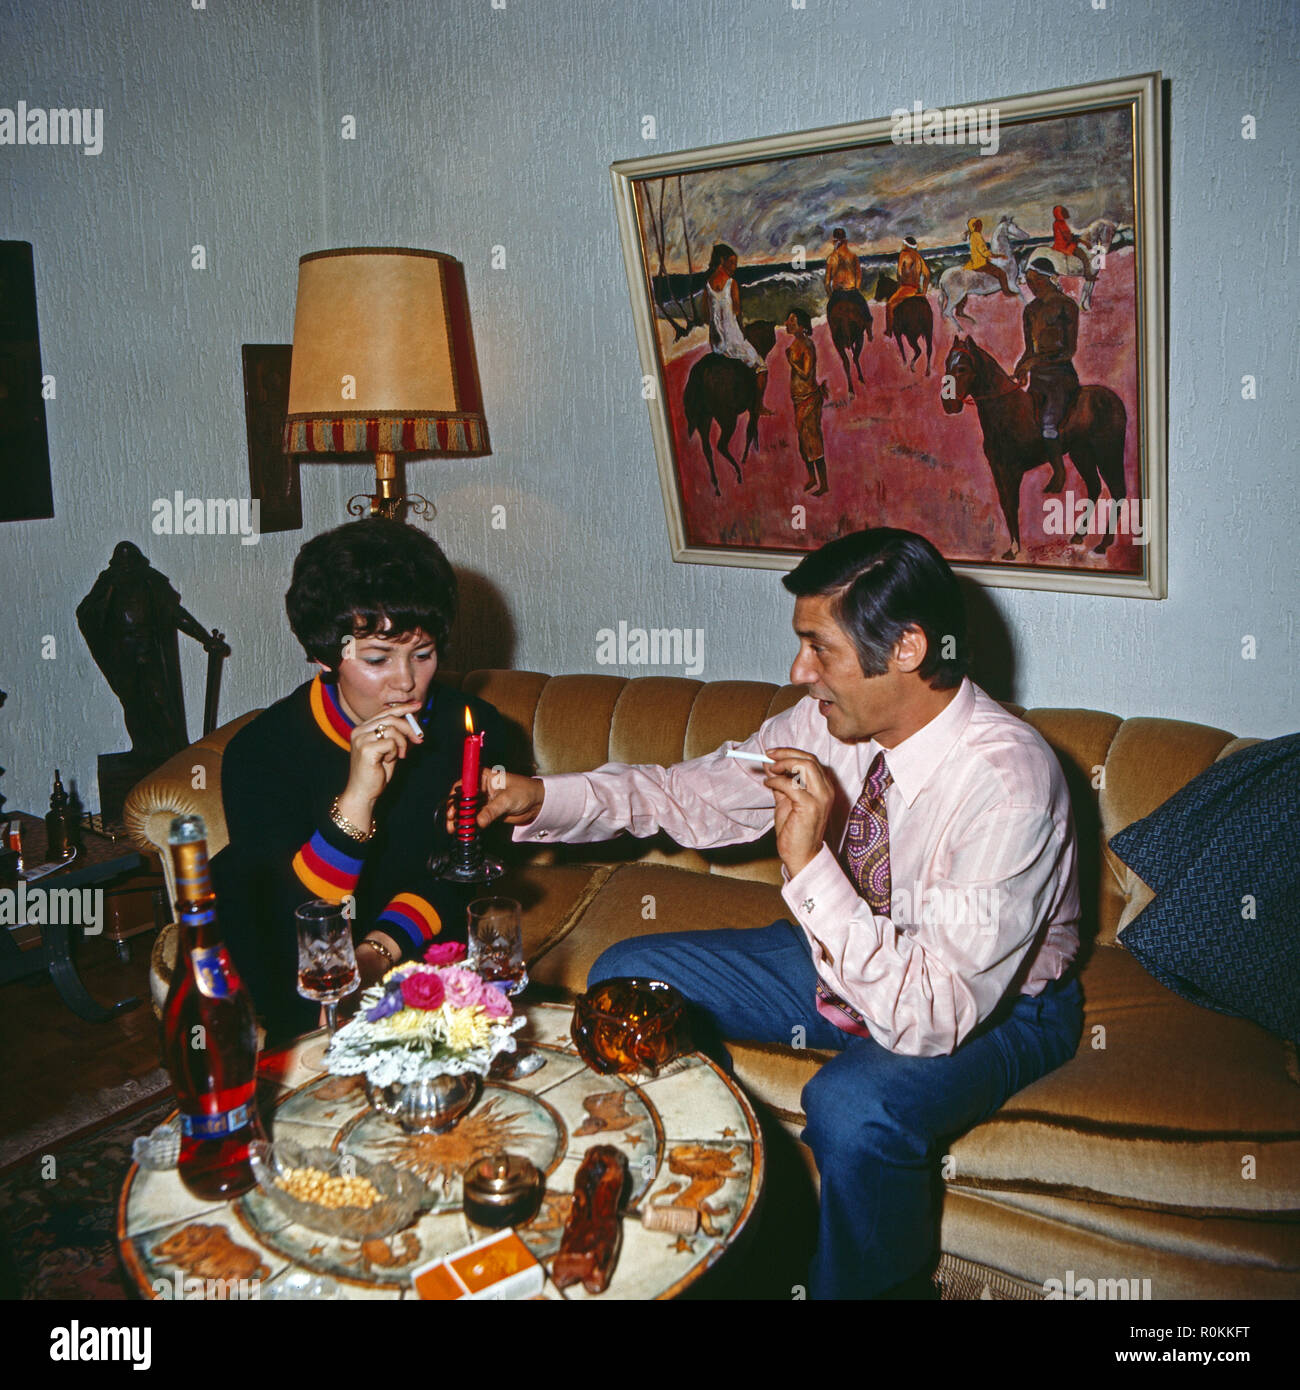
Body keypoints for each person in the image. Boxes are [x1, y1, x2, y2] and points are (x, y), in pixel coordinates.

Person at [472, 529, 1082, 1300]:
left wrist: (808, 865)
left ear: (906, 647)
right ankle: (721, 1219)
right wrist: (545, 796)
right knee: (629, 980)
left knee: (854, 1105)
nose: (799, 672)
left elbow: (927, 1015)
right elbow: (685, 792)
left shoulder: (1007, 780)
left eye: (817, 647)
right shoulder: (825, 723)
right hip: (844, 960)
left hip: (991, 1008)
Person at [211, 518, 505, 1041]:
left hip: (418, 939)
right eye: (377, 658)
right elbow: (287, 912)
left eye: (424, 653)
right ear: (325, 657)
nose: (407, 682)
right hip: (304, 962)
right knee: (230, 874)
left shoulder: (474, 731)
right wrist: (358, 799)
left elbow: (463, 876)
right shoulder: (260, 753)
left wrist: (376, 952)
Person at [1014, 258, 1081, 494]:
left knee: (1048, 425)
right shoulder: (1030, 310)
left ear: (1044, 279)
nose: (1030, 286)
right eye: (1029, 282)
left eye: (1033, 281)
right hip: (1038, 380)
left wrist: (1034, 361)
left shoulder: (1066, 306)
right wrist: (1021, 367)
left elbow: (1068, 351)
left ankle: (1059, 472)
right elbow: (1029, 350)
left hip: (1060, 380)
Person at [704, 242, 771, 413]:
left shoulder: (708, 285)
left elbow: (705, 316)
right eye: (732, 263)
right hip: (733, 341)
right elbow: (737, 312)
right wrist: (741, 332)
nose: (735, 267)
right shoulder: (731, 283)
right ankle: (758, 406)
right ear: (722, 260)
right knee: (762, 367)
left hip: (716, 344)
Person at [784, 308, 829, 496]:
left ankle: (824, 484)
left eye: (792, 320)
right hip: (799, 399)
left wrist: (791, 362)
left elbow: (806, 373)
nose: (787, 323)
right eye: (788, 320)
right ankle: (812, 478)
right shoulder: (795, 344)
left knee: (813, 441)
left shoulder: (807, 345)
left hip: (809, 398)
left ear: (802, 326)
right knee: (803, 442)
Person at [885, 235, 932, 337]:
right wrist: (923, 292)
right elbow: (927, 274)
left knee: (889, 305)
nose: (902, 246)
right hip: (916, 289)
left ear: (907, 245)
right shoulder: (918, 257)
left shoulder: (903, 254)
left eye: (903, 244)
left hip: (906, 288)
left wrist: (900, 281)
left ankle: (889, 330)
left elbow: (899, 273)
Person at [963, 216, 1017, 297]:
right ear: (975, 226)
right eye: (979, 225)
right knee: (1001, 273)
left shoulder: (972, 235)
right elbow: (984, 252)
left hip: (975, 262)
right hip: (980, 263)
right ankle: (1007, 292)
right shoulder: (977, 236)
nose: (981, 226)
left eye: (980, 225)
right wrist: (998, 256)